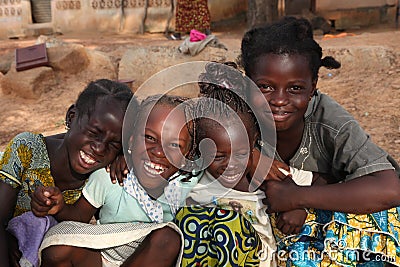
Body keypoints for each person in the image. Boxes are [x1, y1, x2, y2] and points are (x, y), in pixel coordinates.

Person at [240, 16, 400, 266]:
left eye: (295, 88)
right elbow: (192, 130)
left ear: (313, 86)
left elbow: (390, 189)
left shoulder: (331, 121)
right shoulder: (235, 111)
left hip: (322, 221)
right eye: (265, 87)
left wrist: (298, 198)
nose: (279, 100)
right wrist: (248, 156)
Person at [31, 94, 199, 267]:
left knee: (167, 237)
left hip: (151, 260)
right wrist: (60, 207)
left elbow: (221, 155)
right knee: (58, 248)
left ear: (187, 157)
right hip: (105, 257)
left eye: (174, 145)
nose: (158, 152)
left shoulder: (188, 182)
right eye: (149, 137)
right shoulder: (110, 177)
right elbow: (79, 217)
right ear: (131, 141)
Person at [175, 62, 316, 267]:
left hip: (257, 261)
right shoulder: (192, 181)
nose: (232, 165)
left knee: (229, 225)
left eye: (241, 154)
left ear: (254, 143)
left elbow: (319, 180)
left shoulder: (267, 177)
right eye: (218, 156)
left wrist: (300, 204)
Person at [0, 79, 133, 267]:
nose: (99, 148)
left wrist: (128, 156)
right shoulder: (27, 149)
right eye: (94, 133)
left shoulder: (104, 175)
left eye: (113, 144)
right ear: (71, 117)